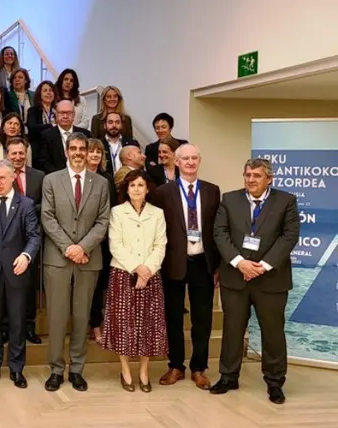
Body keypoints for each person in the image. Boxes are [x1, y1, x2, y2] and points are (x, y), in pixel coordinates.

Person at [211, 158, 299, 405]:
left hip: (271, 279)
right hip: (235, 277)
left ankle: (274, 382)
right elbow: (220, 233)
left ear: (269, 179)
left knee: (272, 332)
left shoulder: (286, 201)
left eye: (256, 176)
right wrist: (240, 262)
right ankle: (228, 376)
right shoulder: (229, 199)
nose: (250, 179)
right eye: (247, 174)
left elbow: (289, 236)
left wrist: (263, 266)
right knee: (232, 330)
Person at [41, 133, 110, 392]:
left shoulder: (101, 184)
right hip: (58, 259)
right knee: (57, 317)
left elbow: (103, 221)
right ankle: (56, 370)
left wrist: (83, 247)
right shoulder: (51, 180)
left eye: (83, 148)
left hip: (88, 259)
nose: (79, 152)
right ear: (67, 151)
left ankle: (77, 369)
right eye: (74, 148)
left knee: (82, 317)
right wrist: (68, 247)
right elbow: (47, 217)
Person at [153, 144, 220, 390]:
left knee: (202, 318)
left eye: (194, 158)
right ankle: (176, 366)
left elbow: (217, 230)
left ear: (199, 161)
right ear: (177, 162)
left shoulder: (213, 191)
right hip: (173, 263)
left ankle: (199, 368)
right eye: (185, 158)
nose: (190, 162)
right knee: (172, 317)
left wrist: (218, 265)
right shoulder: (162, 192)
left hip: (203, 262)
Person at [103, 170, 168, 393]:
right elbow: (115, 245)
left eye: (140, 185)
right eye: (132, 186)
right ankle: (125, 370)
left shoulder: (157, 213)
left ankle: (144, 371)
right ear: (126, 189)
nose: (137, 189)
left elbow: (161, 245)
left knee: (147, 325)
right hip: (123, 274)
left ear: (147, 188)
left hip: (151, 276)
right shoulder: (117, 212)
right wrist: (137, 269)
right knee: (124, 324)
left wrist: (147, 270)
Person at [0, 160, 41, 388]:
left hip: (17, 271)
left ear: (13, 176)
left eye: (2, 178)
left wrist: (26, 256)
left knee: (17, 323)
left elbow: (34, 236)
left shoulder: (26, 205)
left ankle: (17, 369)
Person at [84, 138, 117, 344]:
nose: (95, 155)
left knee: (98, 286)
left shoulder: (107, 180)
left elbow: (110, 211)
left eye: (98, 152)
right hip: (77, 241)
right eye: (91, 151)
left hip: (102, 241)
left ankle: (96, 325)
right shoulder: (75, 177)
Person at [33, 99, 92, 175]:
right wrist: (61, 178)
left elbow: (89, 159)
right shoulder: (45, 135)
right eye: (61, 113)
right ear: (56, 115)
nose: (65, 116)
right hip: (56, 180)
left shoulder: (86, 135)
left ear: (74, 115)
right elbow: (44, 163)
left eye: (68, 113)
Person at [101, 112, 139, 179]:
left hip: (128, 182)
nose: (114, 125)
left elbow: (138, 165)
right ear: (105, 125)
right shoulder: (99, 144)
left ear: (121, 125)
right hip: (106, 184)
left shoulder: (132, 143)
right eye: (110, 122)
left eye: (117, 122)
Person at [26, 80, 58, 148]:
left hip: (55, 146)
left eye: (51, 90)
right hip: (39, 147)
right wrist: (51, 126)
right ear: (39, 94)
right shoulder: (33, 110)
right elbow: (33, 128)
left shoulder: (58, 110)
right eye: (45, 90)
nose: (48, 92)